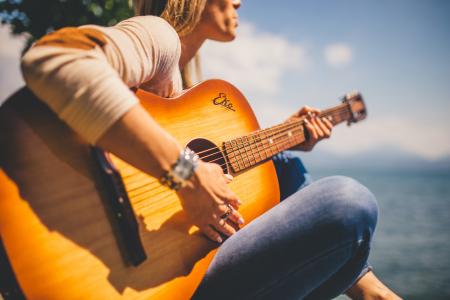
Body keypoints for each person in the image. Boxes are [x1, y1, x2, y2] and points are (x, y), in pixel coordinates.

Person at [20, 0, 401, 298]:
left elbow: (208, 170)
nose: (240, 2)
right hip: (117, 275)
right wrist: (186, 176)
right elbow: (56, 58)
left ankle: (370, 289)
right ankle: (370, 290)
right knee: (348, 201)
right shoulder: (158, 37)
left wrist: (284, 136)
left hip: (181, 273)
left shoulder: (195, 93)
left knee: (284, 166)